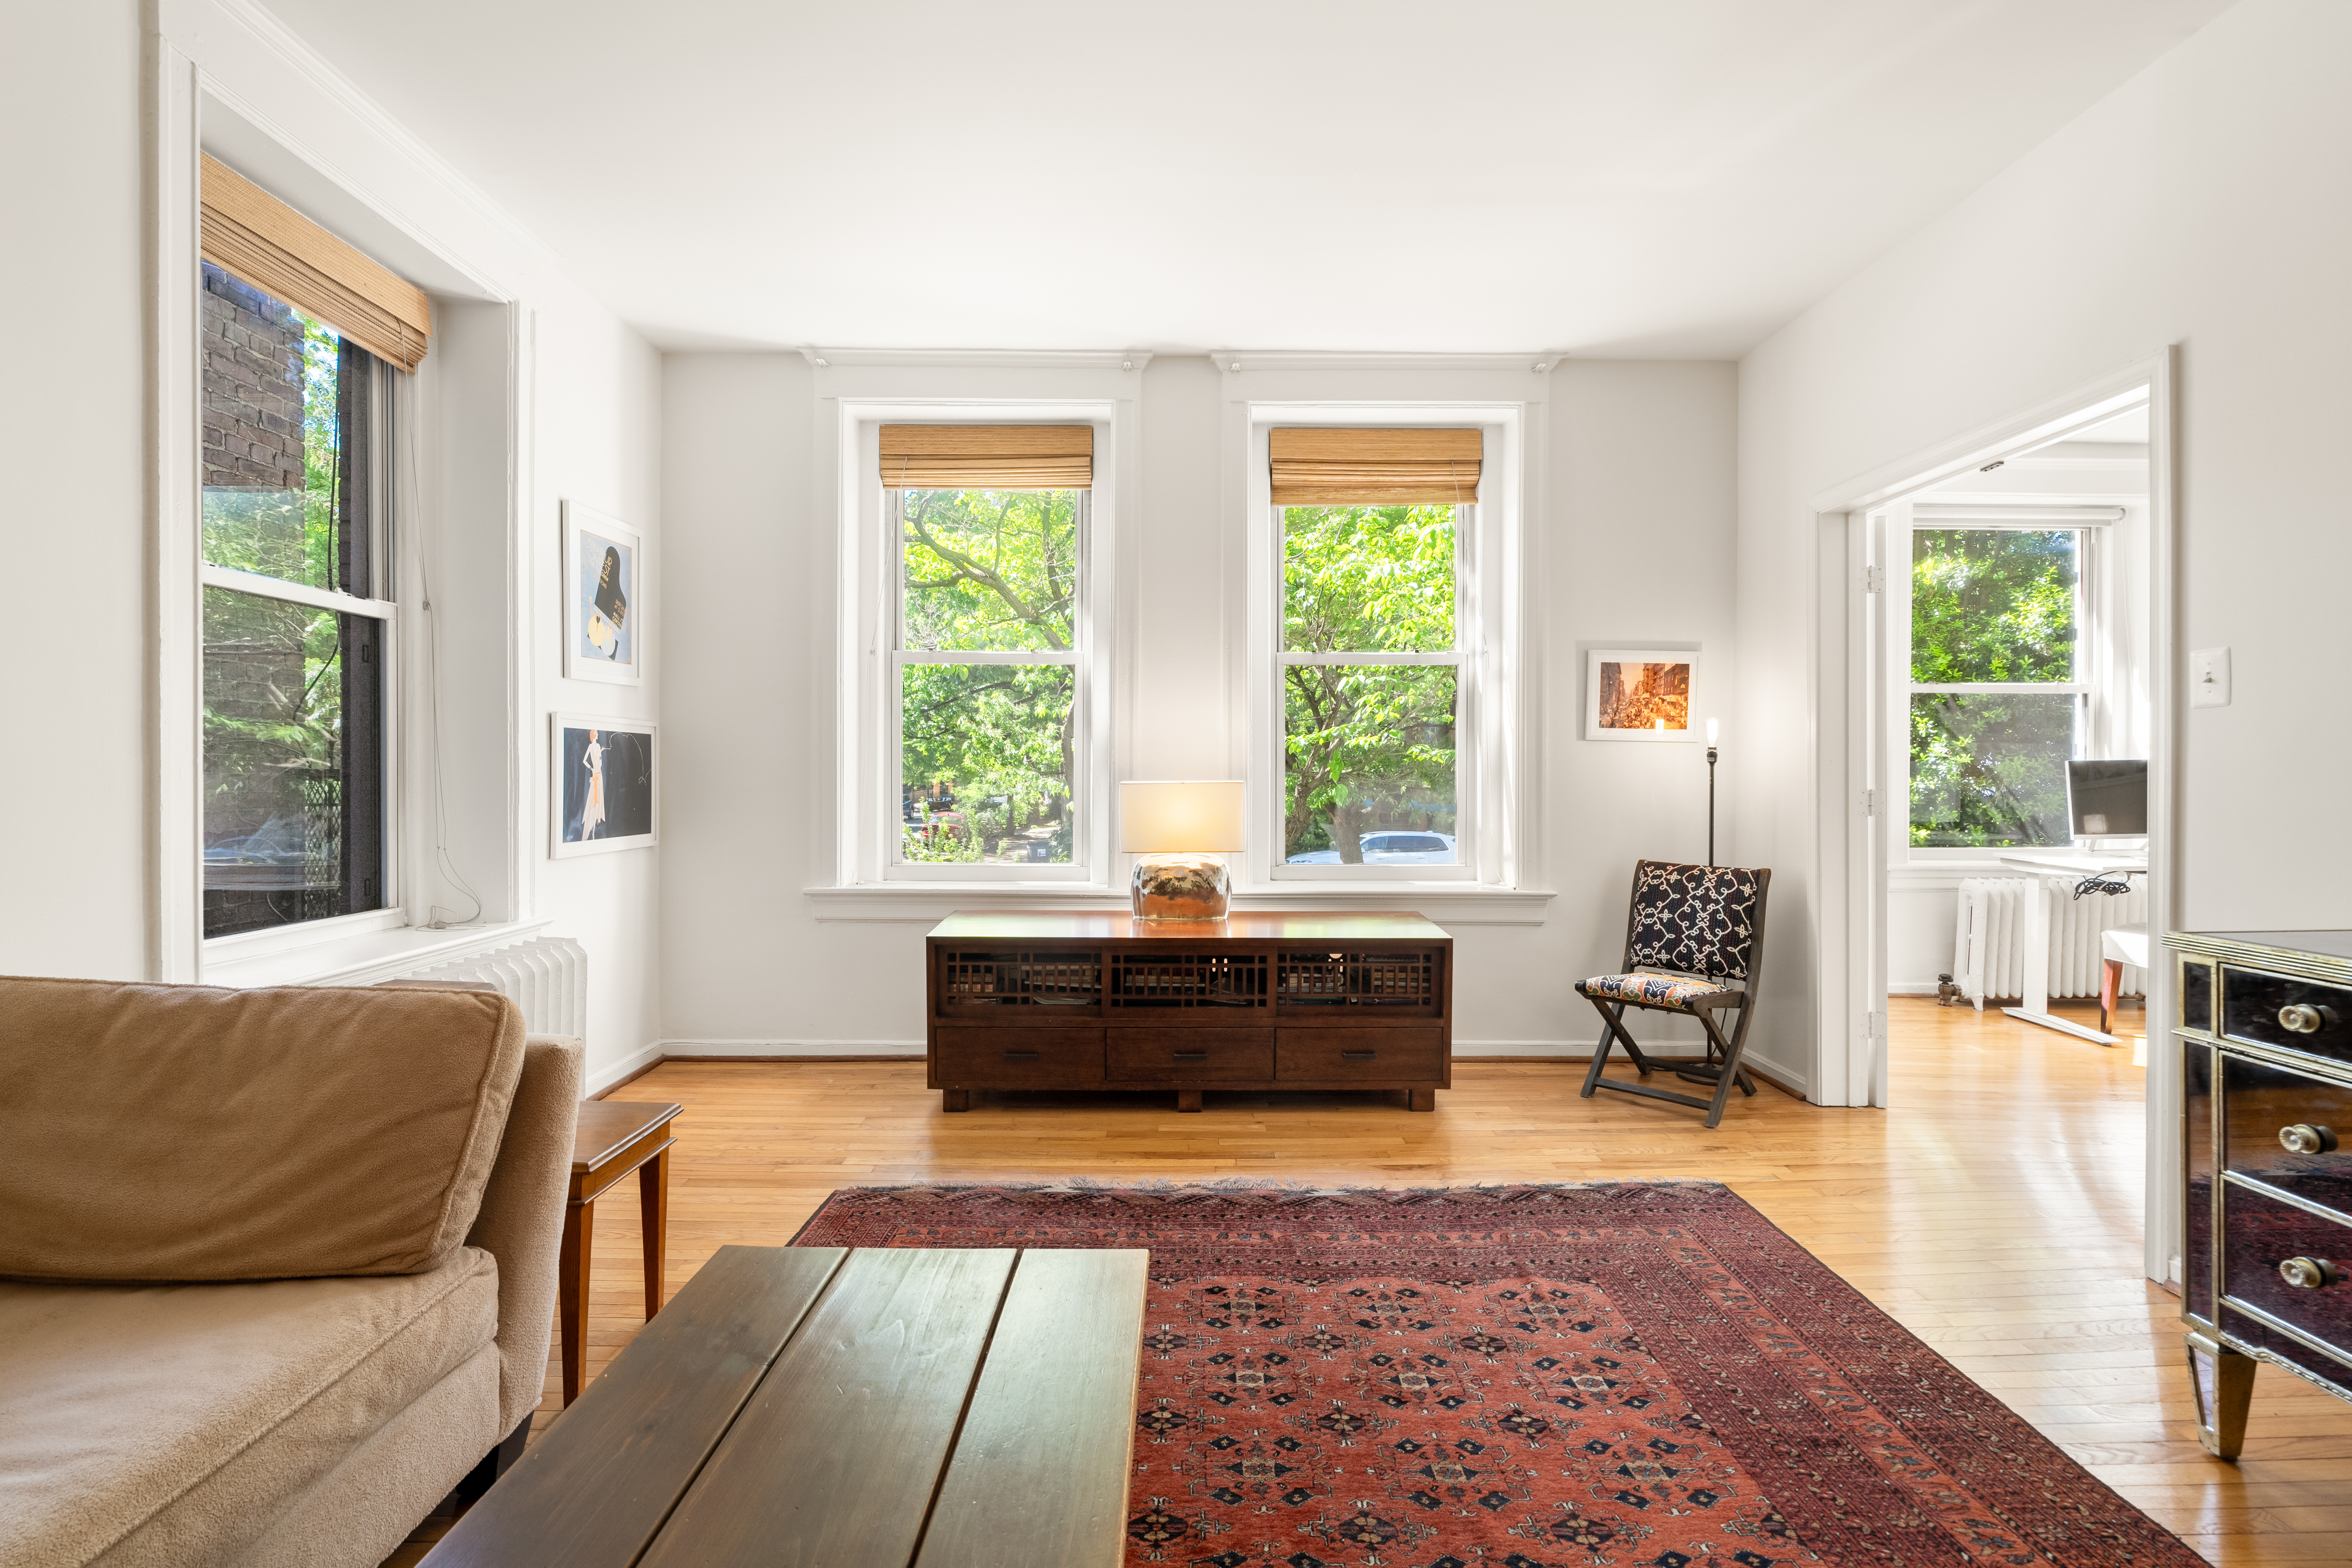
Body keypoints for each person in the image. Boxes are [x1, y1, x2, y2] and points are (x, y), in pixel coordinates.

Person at [579, 728, 606, 840]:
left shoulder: (598, 746)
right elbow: (585, 761)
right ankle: (590, 831)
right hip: (596, 775)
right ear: (594, 735)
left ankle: (594, 830)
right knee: (595, 800)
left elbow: (599, 762)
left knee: (598, 800)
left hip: (599, 775)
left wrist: (600, 753)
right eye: (597, 733)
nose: (598, 734)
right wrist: (592, 768)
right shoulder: (593, 746)